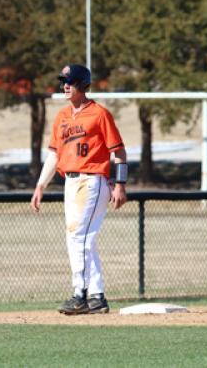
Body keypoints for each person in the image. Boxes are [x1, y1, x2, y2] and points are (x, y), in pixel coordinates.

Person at [31, 64, 128, 315]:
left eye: (70, 81)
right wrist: (41, 185)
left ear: (83, 85)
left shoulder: (99, 114)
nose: (65, 85)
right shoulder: (62, 116)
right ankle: (97, 296)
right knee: (83, 240)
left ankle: (80, 293)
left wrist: (120, 184)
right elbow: (54, 154)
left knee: (78, 237)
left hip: (92, 180)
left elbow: (118, 151)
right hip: (70, 182)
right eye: (63, 81)